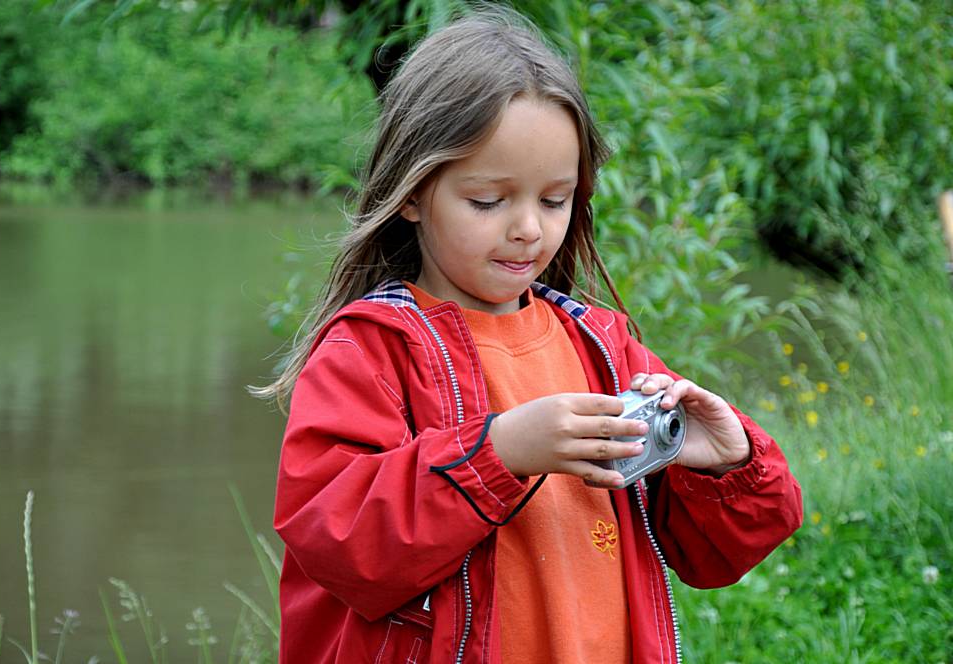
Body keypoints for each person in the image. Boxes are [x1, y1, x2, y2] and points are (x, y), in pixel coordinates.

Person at [261, 10, 803, 664]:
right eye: (488, 200)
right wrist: (498, 453)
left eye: (555, 200)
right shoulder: (370, 351)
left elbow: (715, 554)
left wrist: (725, 460)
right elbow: (337, 540)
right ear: (410, 192)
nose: (528, 229)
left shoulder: (603, 348)